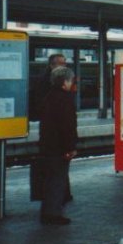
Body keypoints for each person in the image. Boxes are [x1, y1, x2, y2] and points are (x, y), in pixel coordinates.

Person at [39, 66, 78, 225]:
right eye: (70, 81)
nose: (71, 84)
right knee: (57, 180)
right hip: (59, 148)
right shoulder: (65, 99)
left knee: (49, 181)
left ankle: (47, 212)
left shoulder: (48, 96)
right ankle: (53, 215)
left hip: (47, 145)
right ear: (64, 82)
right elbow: (67, 126)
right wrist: (70, 148)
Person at [29, 54, 67, 122]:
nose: (63, 66)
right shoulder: (44, 81)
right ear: (51, 65)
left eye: (64, 63)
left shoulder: (63, 79)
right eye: (61, 64)